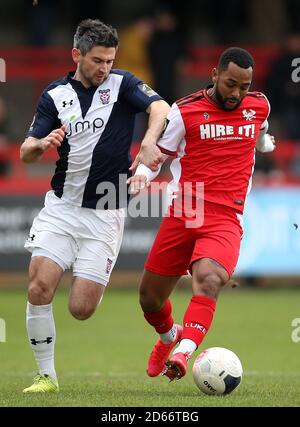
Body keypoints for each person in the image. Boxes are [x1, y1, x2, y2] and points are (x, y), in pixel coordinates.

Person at [20, 18, 169, 393]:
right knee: (39, 287)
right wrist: (40, 145)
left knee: (81, 309)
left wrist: (149, 142)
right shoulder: (54, 95)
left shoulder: (123, 84)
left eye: (109, 60)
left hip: (106, 212)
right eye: (98, 61)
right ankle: (46, 376)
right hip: (63, 207)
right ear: (77, 55)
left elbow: (161, 108)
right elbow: (25, 152)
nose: (105, 68)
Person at [128, 47, 276, 382]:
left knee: (209, 279)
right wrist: (142, 177)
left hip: (226, 215)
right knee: (149, 299)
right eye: (230, 84)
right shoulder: (185, 110)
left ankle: (184, 353)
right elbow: (159, 155)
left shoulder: (259, 104)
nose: (237, 93)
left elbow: (262, 127)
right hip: (186, 210)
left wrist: (265, 143)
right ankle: (169, 338)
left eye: (244, 86)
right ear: (215, 75)